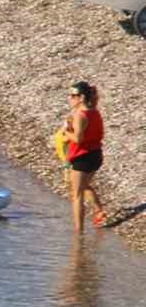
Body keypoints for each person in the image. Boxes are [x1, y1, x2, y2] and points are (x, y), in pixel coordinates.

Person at [60, 81, 107, 230]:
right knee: (84, 186)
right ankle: (100, 210)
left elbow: (78, 139)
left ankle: (78, 232)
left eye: (73, 95)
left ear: (81, 97)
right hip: (96, 155)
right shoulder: (94, 110)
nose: (70, 98)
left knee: (77, 195)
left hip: (83, 158)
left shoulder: (80, 115)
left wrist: (65, 132)